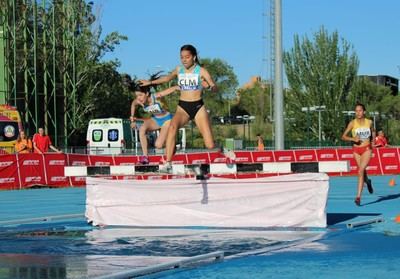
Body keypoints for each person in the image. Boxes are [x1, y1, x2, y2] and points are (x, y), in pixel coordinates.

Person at [140, 44, 219, 171]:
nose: (184, 60)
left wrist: (208, 86)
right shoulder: (179, 70)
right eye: (182, 57)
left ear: (194, 57)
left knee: (210, 145)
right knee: (172, 126)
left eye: (187, 57)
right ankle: (168, 163)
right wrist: (150, 82)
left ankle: (224, 150)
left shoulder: (201, 71)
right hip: (183, 107)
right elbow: (166, 78)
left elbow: (215, 88)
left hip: (198, 107)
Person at [128, 76, 180, 164]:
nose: (139, 98)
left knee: (158, 145)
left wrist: (181, 88)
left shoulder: (156, 97)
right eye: (137, 96)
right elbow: (133, 104)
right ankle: (145, 157)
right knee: (142, 129)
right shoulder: (139, 101)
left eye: (140, 95)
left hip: (167, 120)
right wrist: (132, 118)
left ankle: (172, 146)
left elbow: (172, 89)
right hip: (156, 119)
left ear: (147, 93)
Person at [341, 103, 374, 206]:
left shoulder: (369, 122)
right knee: (362, 171)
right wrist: (353, 139)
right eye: (356, 111)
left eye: (360, 110)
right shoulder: (352, 123)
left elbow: (373, 132)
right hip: (356, 150)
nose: (358, 112)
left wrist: (372, 142)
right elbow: (343, 136)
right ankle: (368, 181)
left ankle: (358, 197)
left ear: (364, 112)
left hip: (366, 149)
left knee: (360, 171)